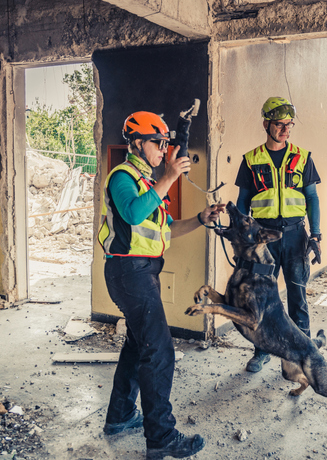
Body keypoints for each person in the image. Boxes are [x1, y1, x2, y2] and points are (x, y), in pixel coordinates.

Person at [98, 110, 224, 459]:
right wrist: (168, 177)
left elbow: (165, 229)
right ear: (137, 143)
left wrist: (201, 219)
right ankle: (162, 438)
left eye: (165, 143)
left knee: (139, 346)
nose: (162, 149)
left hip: (143, 272)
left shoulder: (149, 185)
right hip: (128, 273)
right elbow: (134, 213)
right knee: (161, 351)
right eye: (157, 143)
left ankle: (120, 416)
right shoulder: (122, 177)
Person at [235, 96, 323, 373]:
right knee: (262, 299)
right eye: (279, 124)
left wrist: (316, 234)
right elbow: (241, 203)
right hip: (263, 240)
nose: (285, 129)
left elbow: (312, 199)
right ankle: (261, 351)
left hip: (296, 237)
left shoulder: (302, 157)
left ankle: (305, 352)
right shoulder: (251, 160)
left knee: (298, 295)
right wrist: (242, 237)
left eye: (289, 124)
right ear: (266, 124)